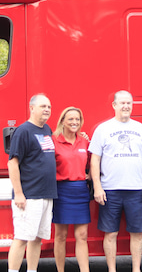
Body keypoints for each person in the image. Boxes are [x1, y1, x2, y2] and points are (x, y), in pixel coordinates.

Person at [88, 90, 142, 272]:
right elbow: (95, 159)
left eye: (129, 103)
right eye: (123, 103)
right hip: (110, 190)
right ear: (114, 105)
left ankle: (136, 269)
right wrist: (97, 186)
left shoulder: (141, 128)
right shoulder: (103, 129)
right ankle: (112, 269)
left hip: (136, 190)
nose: (126, 106)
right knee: (110, 234)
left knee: (137, 233)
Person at [7, 94, 58, 272]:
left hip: (46, 194)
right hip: (29, 195)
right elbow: (12, 163)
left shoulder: (46, 130)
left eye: (49, 107)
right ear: (32, 108)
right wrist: (19, 193)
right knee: (21, 237)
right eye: (43, 106)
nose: (47, 110)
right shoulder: (23, 131)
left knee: (37, 238)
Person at [52, 106, 91, 272]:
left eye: (77, 119)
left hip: (80, 190)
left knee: (82, 236)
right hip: (61, 191)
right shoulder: (54, 140)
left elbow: (93, 164)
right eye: (70, 119)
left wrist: (90, 175)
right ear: (62, 121)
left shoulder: (85, 141)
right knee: (60, 236)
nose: (74, 122)